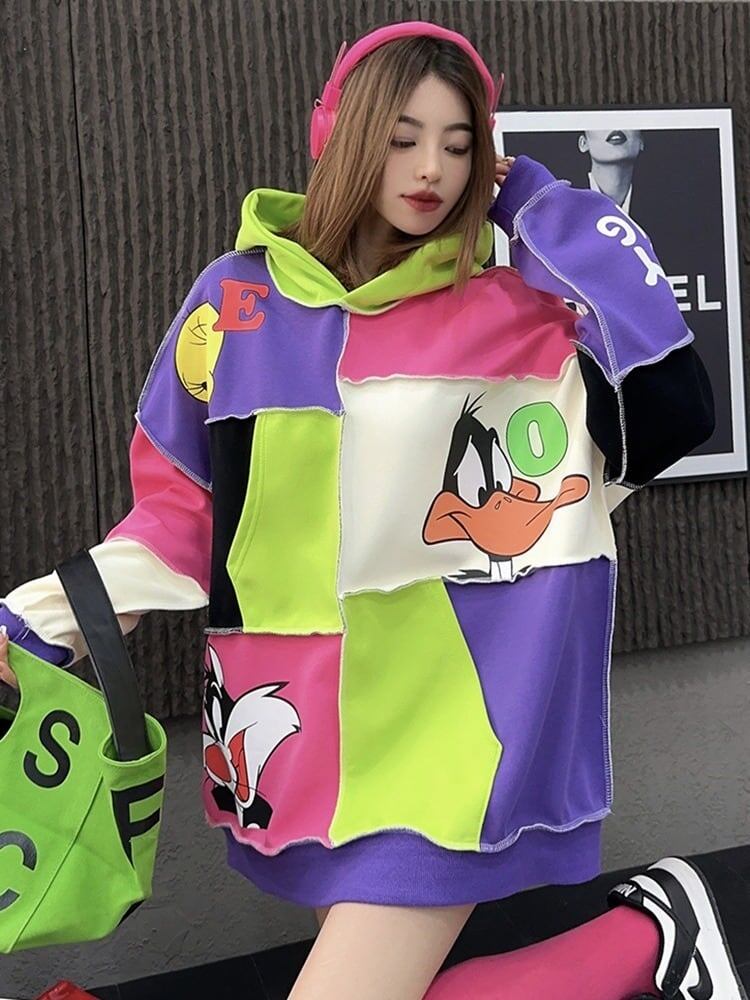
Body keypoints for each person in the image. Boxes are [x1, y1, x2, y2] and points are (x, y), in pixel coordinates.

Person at [0, 19, 742, 1000]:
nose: (432, 168)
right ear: (339, 136)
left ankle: (641, 940)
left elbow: (667, 407)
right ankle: (651, 935)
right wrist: (40, 620)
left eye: (459, 144)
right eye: (402, 137)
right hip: (298, 729)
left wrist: (536, 200)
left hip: (460, 722)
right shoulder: (234, 303)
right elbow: (183, 514)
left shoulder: (515, 314)